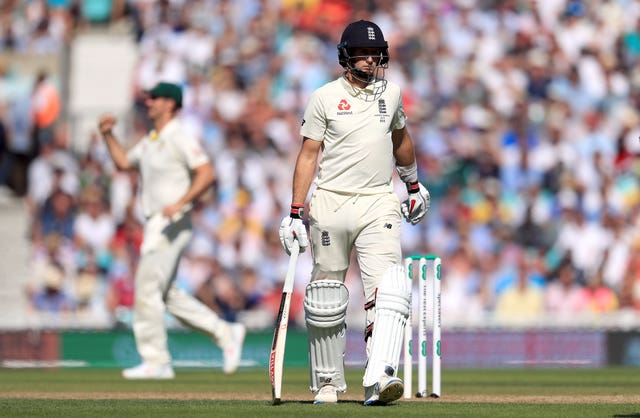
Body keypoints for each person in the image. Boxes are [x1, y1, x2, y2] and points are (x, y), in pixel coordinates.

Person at [278, 20, 430, 406]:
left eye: (375, 54)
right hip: (330, 201)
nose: (369, 60)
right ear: (346, 56)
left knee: (390, 288)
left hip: (378, 200)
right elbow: (308, 154)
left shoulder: (392, 93)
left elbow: (401, 139)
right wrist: (295, 211)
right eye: (362, 53)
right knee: (325, 295)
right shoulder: (324, 97)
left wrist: (412, 184)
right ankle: (327, 382)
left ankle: (379, 377)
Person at [98, 81, 245, 380]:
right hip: (157, 221)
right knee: (164, 294)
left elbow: (206, 173)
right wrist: (108, 135)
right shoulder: (153, 138)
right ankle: (225, 332)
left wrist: (180, 202)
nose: (149, 102)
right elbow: (125, 162)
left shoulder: (178, 136)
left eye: (155, 98)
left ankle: (157, 361)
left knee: (147, 288)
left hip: (171, 222)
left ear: (170, 104)